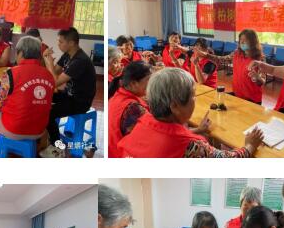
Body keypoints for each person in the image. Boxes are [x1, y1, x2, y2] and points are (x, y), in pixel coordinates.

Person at [117, 68, 264, 157]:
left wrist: (198, 130)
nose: (195, 99)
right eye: (193, 96)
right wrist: (250, 146)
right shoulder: (190, 146)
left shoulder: (142, 122)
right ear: (175, 106)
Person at [41, 27, 97, 158]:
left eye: (61, 42)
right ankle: (45, 136)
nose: (58, 44)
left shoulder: (80, 61)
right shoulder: (68, 55)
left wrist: (49, 63)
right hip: (69, 95)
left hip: (80, 102)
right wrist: (47, 60)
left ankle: (57, 148)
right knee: (42, 96)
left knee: (48, 113)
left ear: (71, 43)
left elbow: (55, 82)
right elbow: (54, 72)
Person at [0, 36, 55, 143]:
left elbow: (0, 102)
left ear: (21, 53)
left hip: (14, 129)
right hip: (39, 130)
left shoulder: (10, 73)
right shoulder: (49, 75)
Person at [199, 29, 266, 104]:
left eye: (245, 40)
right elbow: (222, 60)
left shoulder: (260, 58)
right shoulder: (236, 53)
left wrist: (257, 78)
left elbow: (262, 81)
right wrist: (207, 55)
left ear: (253, 42)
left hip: (252, 99)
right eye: (241, 40)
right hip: (238, 95)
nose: (242, 42)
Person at [108, 61, 151, 157]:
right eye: (149, 80)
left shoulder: (117, 96)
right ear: (133, 83)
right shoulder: (133, 109)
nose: (152, 84)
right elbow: (149, 139)